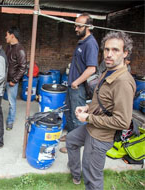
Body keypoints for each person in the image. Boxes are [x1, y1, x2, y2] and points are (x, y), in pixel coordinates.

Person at [66, 31, 135, 189]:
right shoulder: (107, 71)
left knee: (93, 178)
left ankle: (84, 176)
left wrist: (88, 118)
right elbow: (104, 101)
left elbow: (123, 122)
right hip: (91, 128)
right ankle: (76, 174)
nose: (109, 54)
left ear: (125, 53)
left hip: (100, 137)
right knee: (71, 140)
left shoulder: (123, 82)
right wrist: (87, 107)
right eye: (106, 49)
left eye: (115, 50)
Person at [60, 13, 99, 154]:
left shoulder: (91, 43)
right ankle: (71, 136)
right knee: (69, 112)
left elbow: (92, 68)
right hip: (72, 85)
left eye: (79, 26)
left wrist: (76, 82)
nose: (76, 28)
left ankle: (74, 144)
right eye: (75, 25)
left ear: (88, 27)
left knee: (77, 116)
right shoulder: (82, 41)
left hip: (79, 87)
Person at [5, 27, 27, 131]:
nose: (6, 37)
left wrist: (14, 80)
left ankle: (10, 121)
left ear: (12, 35)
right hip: (4, 79)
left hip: (12, 81)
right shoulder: (8, 47)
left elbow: (23, 67)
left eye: (7, 35)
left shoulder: (20, 49)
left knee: (11, 102)